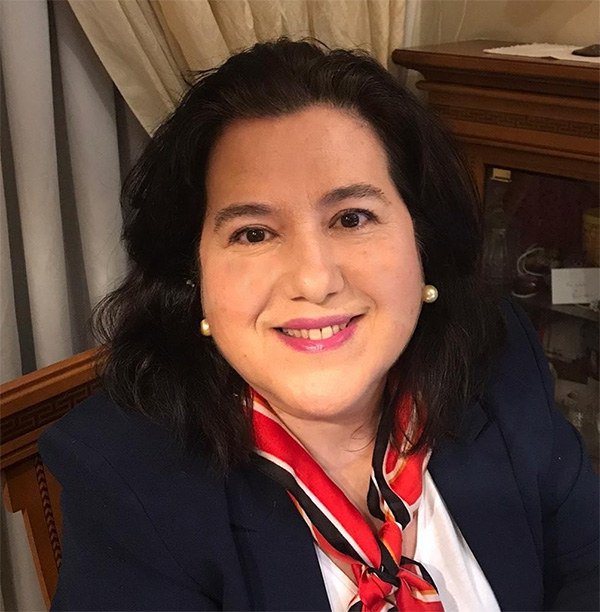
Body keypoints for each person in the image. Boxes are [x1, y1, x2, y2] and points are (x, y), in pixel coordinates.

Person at [39, 39, 599, 611]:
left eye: (352, 218)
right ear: (193, 273)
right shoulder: (125, 477)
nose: (314, 279)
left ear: (422, 242)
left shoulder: (496, 357)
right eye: (253, 233)